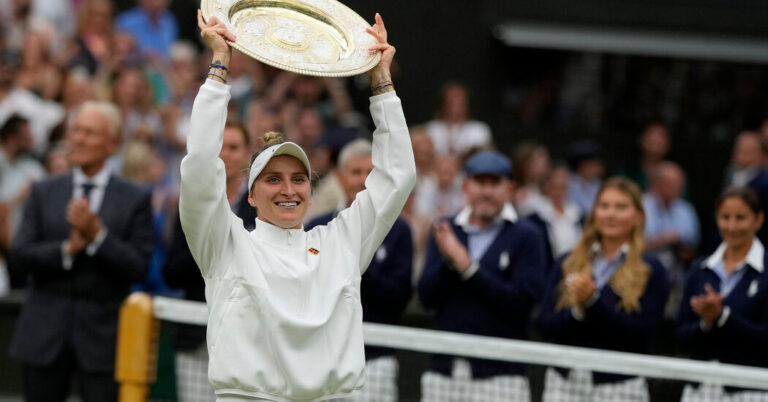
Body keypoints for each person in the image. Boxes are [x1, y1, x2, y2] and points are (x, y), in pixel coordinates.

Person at [179, 11, 414, 400]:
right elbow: (201, 169)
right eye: (273, 179)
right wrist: (219, 67)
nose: (288, 189)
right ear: (250, 196)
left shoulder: (342, 241)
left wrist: (381, 83)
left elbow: (397, 175)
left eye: (298, 178)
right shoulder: (226, 244)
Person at [8, 100, 153, 401]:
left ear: (112, 144)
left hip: (103, 341)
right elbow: (19, 258)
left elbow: (139, 267)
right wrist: (67, 249)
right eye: (76, 131)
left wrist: (97, 235)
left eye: (90, 133)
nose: (78, 139)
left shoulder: (135, 199)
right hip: (42, 336)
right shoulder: (43, 190)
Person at [418, 150, 547, 402]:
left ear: (509, 188)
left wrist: (469, 268)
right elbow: (426, 297)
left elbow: (523, 304)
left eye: (495, 183)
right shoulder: (446, 229)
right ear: (466, 186)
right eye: (480, 182)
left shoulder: (529, 235)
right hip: (444, 373)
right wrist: (449, 262)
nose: (486, 191)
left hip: (503, 376)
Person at [538, 177, 669, 402]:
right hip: (562, 385)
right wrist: (577, 312)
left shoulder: (652, 270)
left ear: (638, 216)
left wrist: (592, 302)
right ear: (594, 212)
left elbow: (640, 335)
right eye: (604, 206)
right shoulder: (566, 262)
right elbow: (545, 324)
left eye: (621, 207)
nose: (611, 214)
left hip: (620, 387)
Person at [306, 138, 413, 402]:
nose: (363, 180)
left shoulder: (399, 230)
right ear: (340, 177)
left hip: (375, 359)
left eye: (371, 173)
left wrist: (349, 261)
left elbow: (398, 296)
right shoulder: (318, 226)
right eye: (356, 172)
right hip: (322, 356)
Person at [164, 120, 255, 402]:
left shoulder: (263, 204)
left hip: (249, 341)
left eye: (234, 147)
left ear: (248, 154)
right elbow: (171, 273)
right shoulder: (191, 204)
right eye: (220, 147)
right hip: (195, 337)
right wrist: (207, 241)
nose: (226, 154)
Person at [677, 187, 768, 402]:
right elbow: (681, 335)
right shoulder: (699, 269)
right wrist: (706, 324)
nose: (732, 226)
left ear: (758, 220)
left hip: (751, 390)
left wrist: (723, 318)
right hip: (699, 389)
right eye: (725, 217)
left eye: (741, 217)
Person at [643, 161, 700, 317]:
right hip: (644, 276)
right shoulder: (640, 206)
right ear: (658, 184)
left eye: (680, 184)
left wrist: (681, 248)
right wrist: (663, 240)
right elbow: (633, 245)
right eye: (672, 184)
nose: (678, 188)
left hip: (677, 280)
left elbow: (693, 247)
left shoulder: (686, 210)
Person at [425, 82, 492, 158]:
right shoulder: (431, 129)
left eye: (460, 102)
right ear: (442, 104)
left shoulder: (479, 129)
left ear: (467, 105)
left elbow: (482, 157)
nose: (455, 107)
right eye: (451, 102)